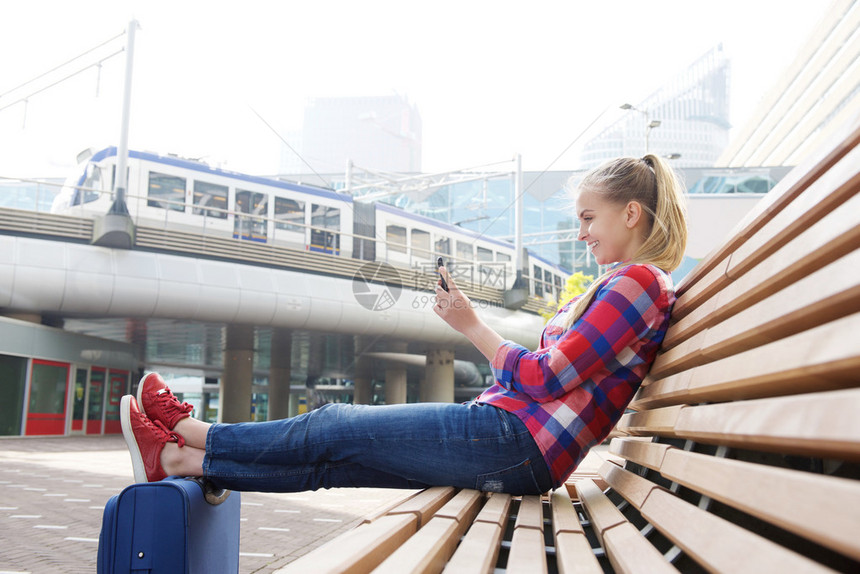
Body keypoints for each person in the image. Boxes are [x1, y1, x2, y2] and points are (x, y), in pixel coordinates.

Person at [121, 154, 687, 495]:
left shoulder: (638, 282)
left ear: (630, 213)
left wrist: (471, 326)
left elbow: (545, 379)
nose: (582, 233)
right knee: (340, 460)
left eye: (589, 218)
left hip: (518, 442)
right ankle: (178, 460)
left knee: (335, 423)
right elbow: (552, 378)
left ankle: (195, 433)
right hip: (512, 438)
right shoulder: (624, 284)